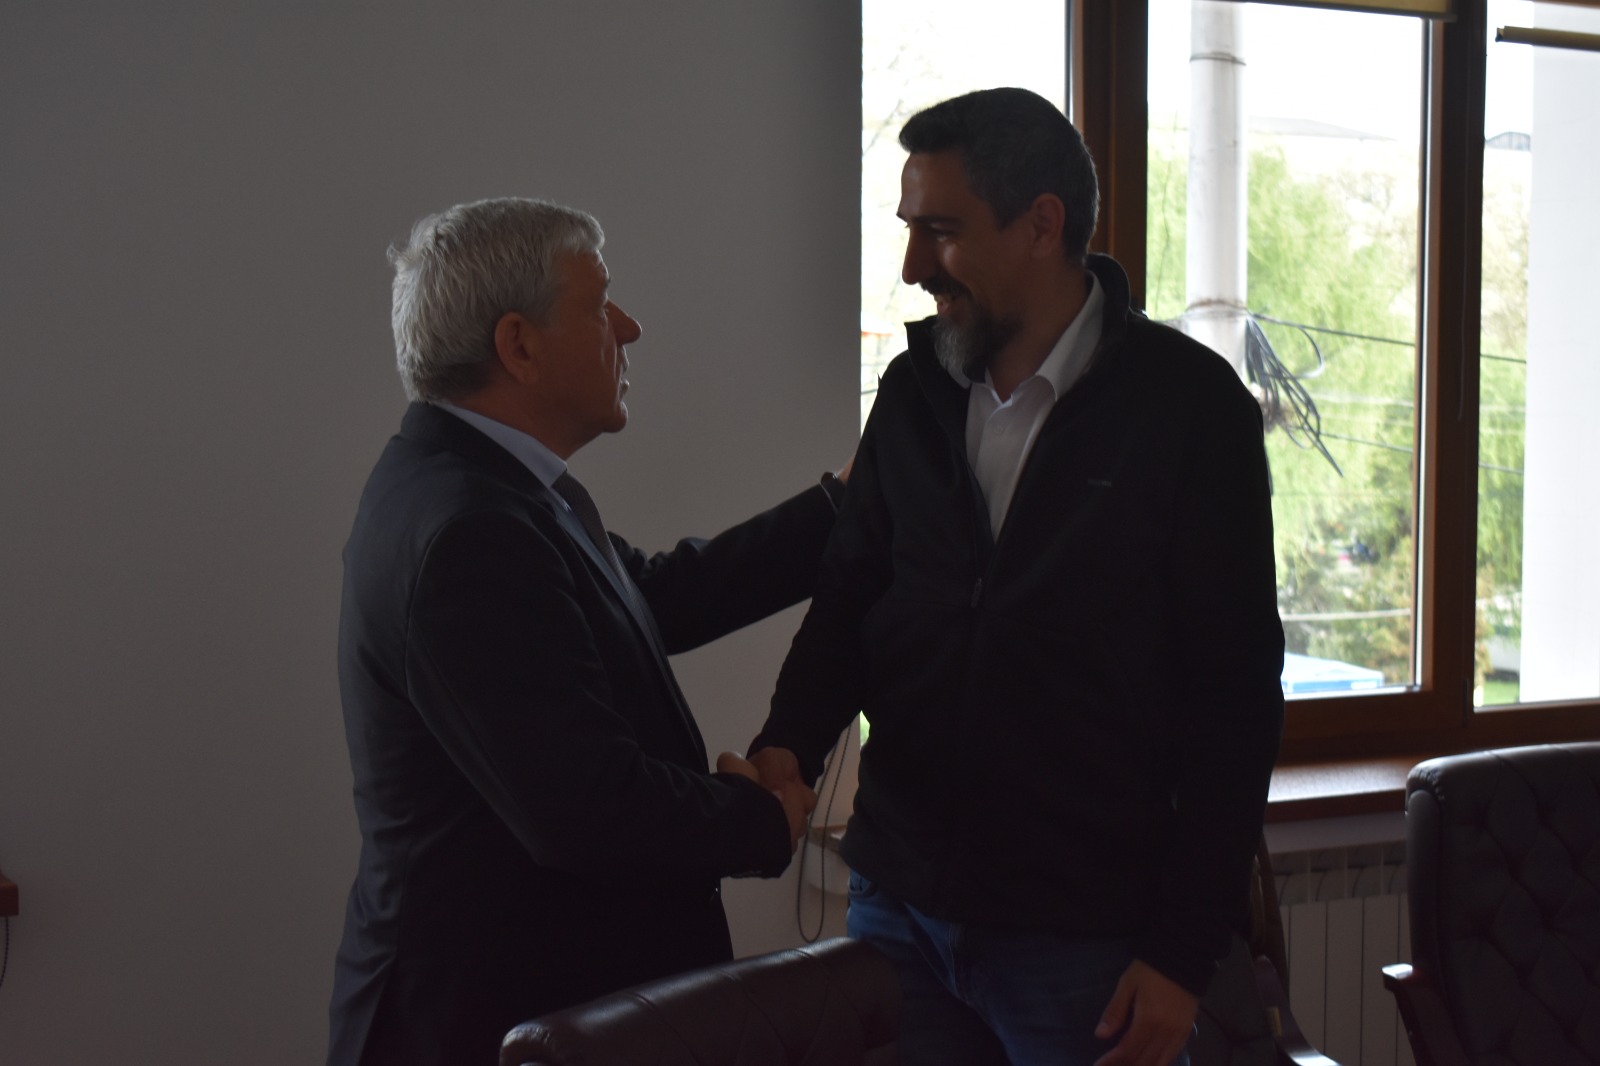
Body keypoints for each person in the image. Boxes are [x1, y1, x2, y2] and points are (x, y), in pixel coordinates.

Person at [747, 88, 1285, 1066]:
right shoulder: (912, 391)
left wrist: (1181, 954)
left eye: (942, 233)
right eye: (910, 230)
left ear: (1041, 225)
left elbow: (1233, 700)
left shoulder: (1189, 409)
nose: (912, 269)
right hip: (896, 911)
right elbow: (851, 600)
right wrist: (787, 745)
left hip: (1087, 943)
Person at [328, 197, 841, 1066]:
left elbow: (651, 596)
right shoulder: (471, 528)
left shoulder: (484, 481)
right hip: (487, 1023)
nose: (630, 328)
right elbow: (587, 810)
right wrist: (760, 821)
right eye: (600, 305)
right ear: (519, 346)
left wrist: (841, 509)